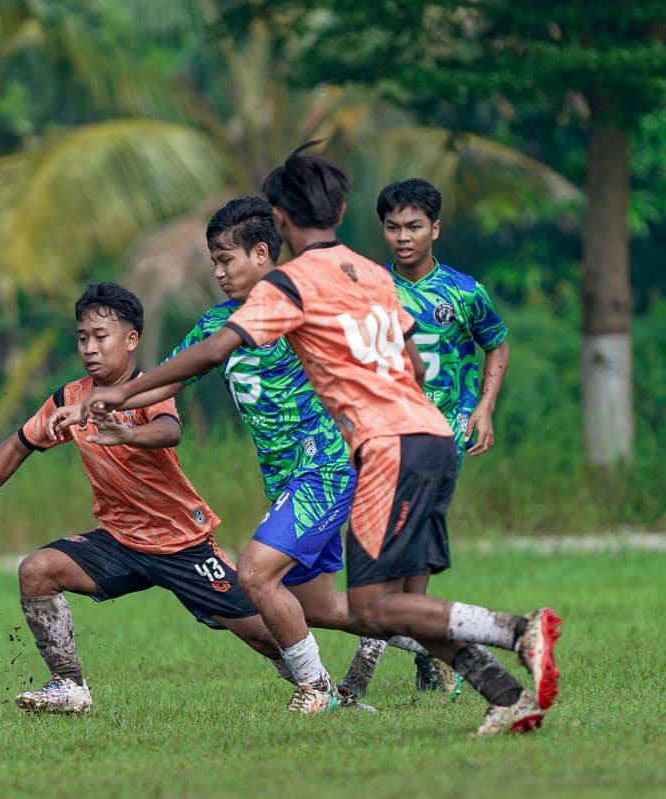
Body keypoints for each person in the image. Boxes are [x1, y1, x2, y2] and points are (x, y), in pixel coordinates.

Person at [83, 143, 560, 735]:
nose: (221, 270)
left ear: (280, 223)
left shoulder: (289, 284)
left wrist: (120, 395)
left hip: (365, 454)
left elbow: (211, 353)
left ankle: (514, 632)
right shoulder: (367, 272)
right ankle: (503, 688)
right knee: (340, 608)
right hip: (415, 441)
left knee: (260, 573)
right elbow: (410, 361)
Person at [54, 198, 440, 713]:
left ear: (262, 254)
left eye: (224, 259)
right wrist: (108, 401)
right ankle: (442, 642)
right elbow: (167, 377)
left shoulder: (303, 306)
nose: (217, 272)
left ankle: (318, 694)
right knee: (314, 606)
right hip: (287, 480)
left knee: (255, 575)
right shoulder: (218, 321)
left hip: (328, 466)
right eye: (213, 261)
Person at [0, 283, 284, 713]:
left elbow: (170, 431)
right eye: (82, 337)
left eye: (100, 336)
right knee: (37, 571)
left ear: (131, 340)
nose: (89, 347)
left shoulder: (149, 388)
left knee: (262, 633)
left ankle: (319, 681)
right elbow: (18, 445)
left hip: (181, 543)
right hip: (120, 543)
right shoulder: (70, 399)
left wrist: (127, 434)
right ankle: (69, 685)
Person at [340, 179, 511, 698]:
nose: (403, 237)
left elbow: (497, 345)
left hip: (441, 438)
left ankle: (364, 677)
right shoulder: (370, 291)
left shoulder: (463, 291)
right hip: (384, 434)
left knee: (402, 547)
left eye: (414, 226)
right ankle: (428, 649)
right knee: (401, 549)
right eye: (393, 227)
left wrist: (484, 409)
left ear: (435, 228)